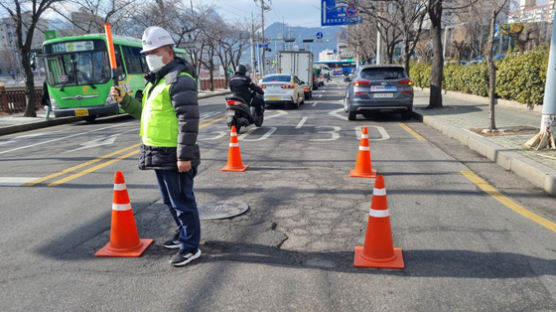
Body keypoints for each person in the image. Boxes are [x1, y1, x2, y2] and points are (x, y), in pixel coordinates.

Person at [109, 26, 201, 267]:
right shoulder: (154, 83)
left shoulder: (180, 80)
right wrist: (124, 101)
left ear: (168, 51)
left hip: (175, 155)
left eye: (153, 51)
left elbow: (188, 120)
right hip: (158, 153)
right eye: (146, 52)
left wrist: (185, 156)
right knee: (170, 201)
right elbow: (144, 114)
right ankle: (183, 234)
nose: (148, 56)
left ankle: (191, 247)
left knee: (183, 203)